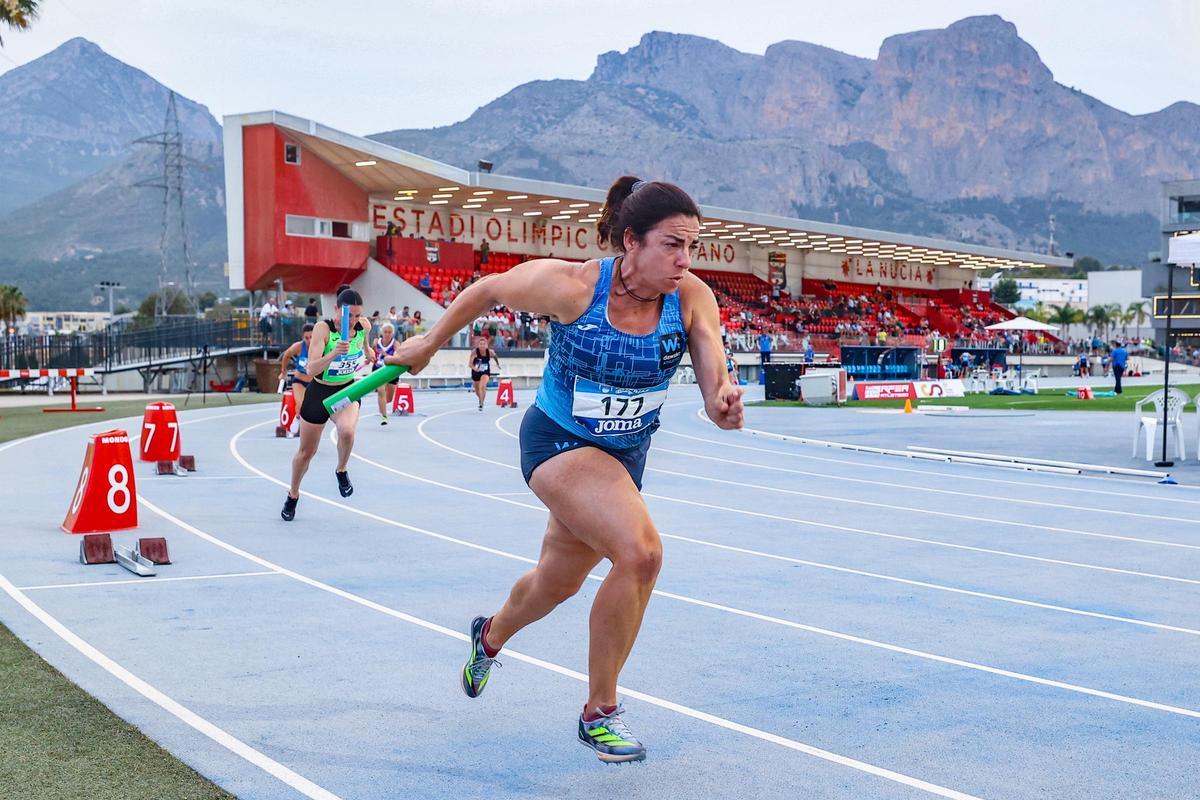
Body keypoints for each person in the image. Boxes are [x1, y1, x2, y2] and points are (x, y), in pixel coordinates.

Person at [387, 175, 744, 764]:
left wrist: (723, 402)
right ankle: (599, 712)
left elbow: (713, 379)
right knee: (642, 553)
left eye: (692, 247)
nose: (685, 260)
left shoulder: (691, 299)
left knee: (556, 583)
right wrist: (427, 343)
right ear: (630, 241)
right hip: (558, 442)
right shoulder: (575, 288)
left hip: (624, 457)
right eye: (672, 245)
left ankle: (490, 635)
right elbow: (488, 289)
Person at [281, 287, 375, 521]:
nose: (352, 320)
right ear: (337, 310)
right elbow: (311, 369)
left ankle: (341, 469)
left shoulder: (364, 326)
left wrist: (368, 351)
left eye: (356, 315)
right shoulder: (324, 329)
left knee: (346, 431)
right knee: (306, 452)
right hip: (320, 392)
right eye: (348, 315)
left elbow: (364, 345)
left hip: (346, 389)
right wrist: (334, 354)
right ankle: (293, 494)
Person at [277, 323, 315, 413]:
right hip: (299, 381)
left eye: (311, 337)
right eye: (306, 338)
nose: (309, 340)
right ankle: (297, 423)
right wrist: (283, 371)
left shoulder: (321, 347)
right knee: (301, 405)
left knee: (313, 408)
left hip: (314, 383)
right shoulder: (299, 347)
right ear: (303, 337)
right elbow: (286, 355)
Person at [373, 323, 400, 424]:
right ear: (381, 332)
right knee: (380, 391)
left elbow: (399, 357)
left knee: (388, 399)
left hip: (391, 371)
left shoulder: (395, 344)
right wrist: (370, 358)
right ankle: (384, 417)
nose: (387, 334)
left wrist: (386, 355)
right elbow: (372, 352)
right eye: (385, 332)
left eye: (389, 332)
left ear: (392, 333)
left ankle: (382, 406)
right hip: (378, 369)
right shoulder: (376, 342)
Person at [468, 335, 501, 410]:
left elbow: (495, 357)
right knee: (477, 390)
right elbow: (470, 364)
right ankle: (480, 398)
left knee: (482, 386)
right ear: (478, 345)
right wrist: (475, 368)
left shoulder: (490, 352)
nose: (482, 346)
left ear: (486, 345)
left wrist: (498, 364)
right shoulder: (474, 352)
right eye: (481, 344)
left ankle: (481, 403)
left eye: (484, 344)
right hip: (476, 371)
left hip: (485, 371)